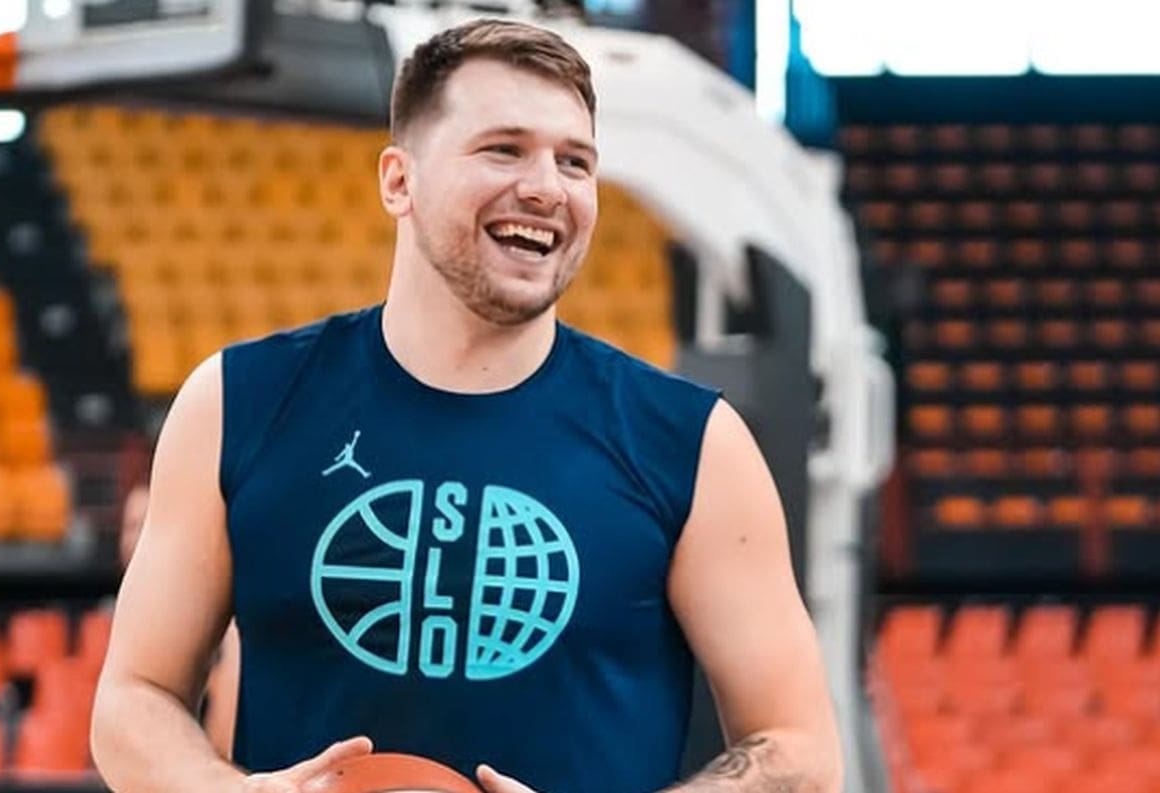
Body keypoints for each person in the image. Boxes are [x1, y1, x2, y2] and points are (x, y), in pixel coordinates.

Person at [91, 18, 842, 793]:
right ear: (398, 181)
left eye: (575, 161)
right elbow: (133, 696)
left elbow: (800, 748)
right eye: (503, 149)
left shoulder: (691, 442)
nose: (547, 186)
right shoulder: (237, 402)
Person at [116, 481, 240, 761]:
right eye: (131, 526)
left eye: (145, 526)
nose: (137, 540)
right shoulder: (107, 617)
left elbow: (226, 735)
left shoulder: (222, 621)